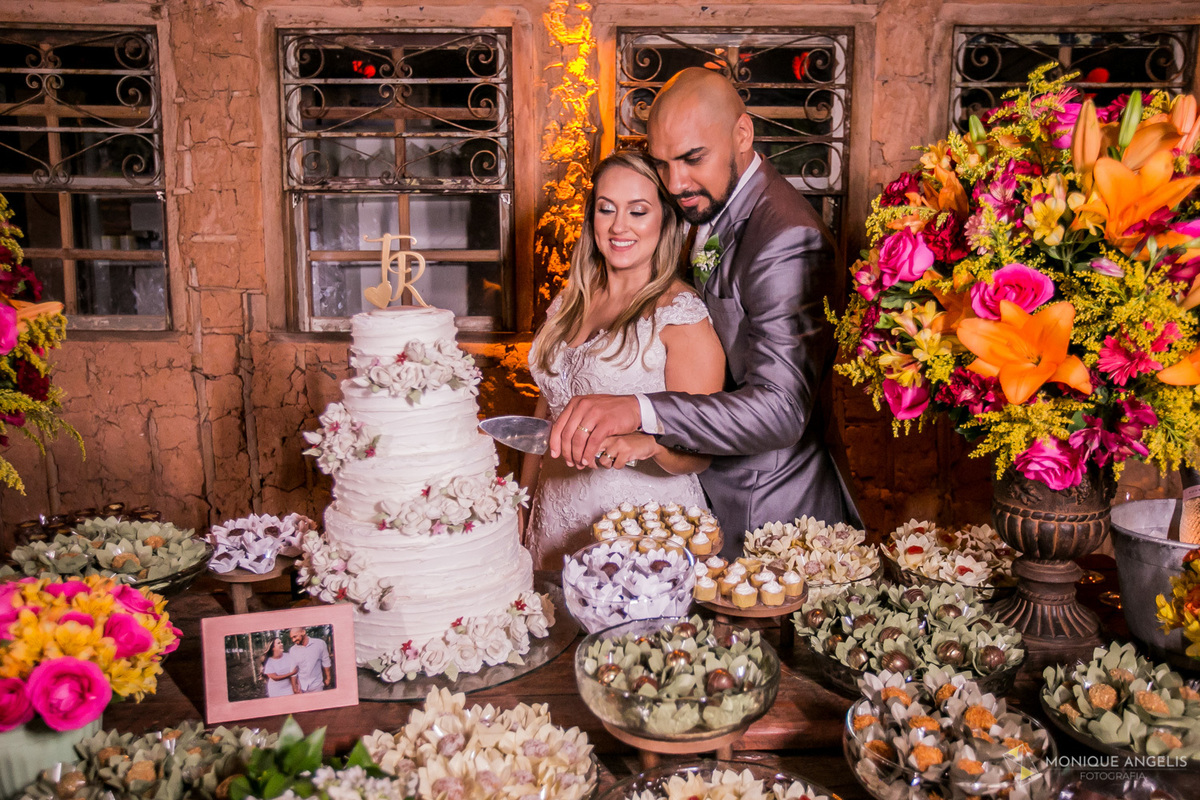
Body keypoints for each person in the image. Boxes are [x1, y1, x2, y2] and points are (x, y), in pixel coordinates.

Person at [548, 68, 860, 555]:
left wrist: (638, 409)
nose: (675, 182)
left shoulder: (785, 237)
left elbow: (781, 410)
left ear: (742, 134)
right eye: (663, 163)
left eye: (693, 158)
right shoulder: (709, 207)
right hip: (696, 495)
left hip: (768, 510)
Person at [522, 150, 727, 568]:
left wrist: (648, 444)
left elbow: (703, 448)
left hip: (640, 529)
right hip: (555, 513)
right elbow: (546, 412)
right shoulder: (570, 300)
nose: (619, 227)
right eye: (606, 209)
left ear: (665, 221)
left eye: (637, 211)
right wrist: (522, 505)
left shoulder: (679, 315)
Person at [288, 627, 331, 692]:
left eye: (295, 637)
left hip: (317, 685)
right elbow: (293, 670)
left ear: (303, 632)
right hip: (302, 687)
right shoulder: (293, 650)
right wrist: (294, 687)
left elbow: (326, 662)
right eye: (292, 638)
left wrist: (328, 678)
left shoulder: (320, 644)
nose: (293, 640)